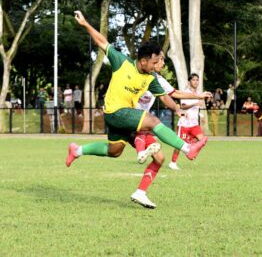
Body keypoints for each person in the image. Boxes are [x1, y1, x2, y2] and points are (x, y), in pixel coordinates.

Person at [66, 11, 207, 209]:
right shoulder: (122, 62)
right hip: (115, 112)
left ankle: (79, 151)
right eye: (155, 61)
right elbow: (101, 41)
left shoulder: (150, 78)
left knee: (121, 152)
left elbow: (165, 96)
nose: (158, 64)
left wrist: (176, 108)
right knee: (153, 121)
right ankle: (187, 148)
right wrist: (85, 24)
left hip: (125, 118)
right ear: (143, 61)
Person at [134, 51, 212, 165]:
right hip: (128, 113)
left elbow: (174, 93)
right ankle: (187, 149)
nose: (163, 63)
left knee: (159, 158)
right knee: (152, 124)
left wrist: (198, 96)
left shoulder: (158, 79)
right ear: (152, 60)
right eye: (161, 59)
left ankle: (141, 152)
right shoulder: (137, 73)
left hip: (140, 116)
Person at [169, 73, 208, 170]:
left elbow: (195, 109)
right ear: (189, 81)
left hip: (194, 124)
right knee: (179, 144)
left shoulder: (197, 94)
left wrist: (201, 115)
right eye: (194, 80)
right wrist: (195, 102)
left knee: (202, 140)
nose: (196, 82)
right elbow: (183, 106)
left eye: (197, 80)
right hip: (184, 123)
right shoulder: (185, 92)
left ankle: (189, 147)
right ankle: (173, 162)